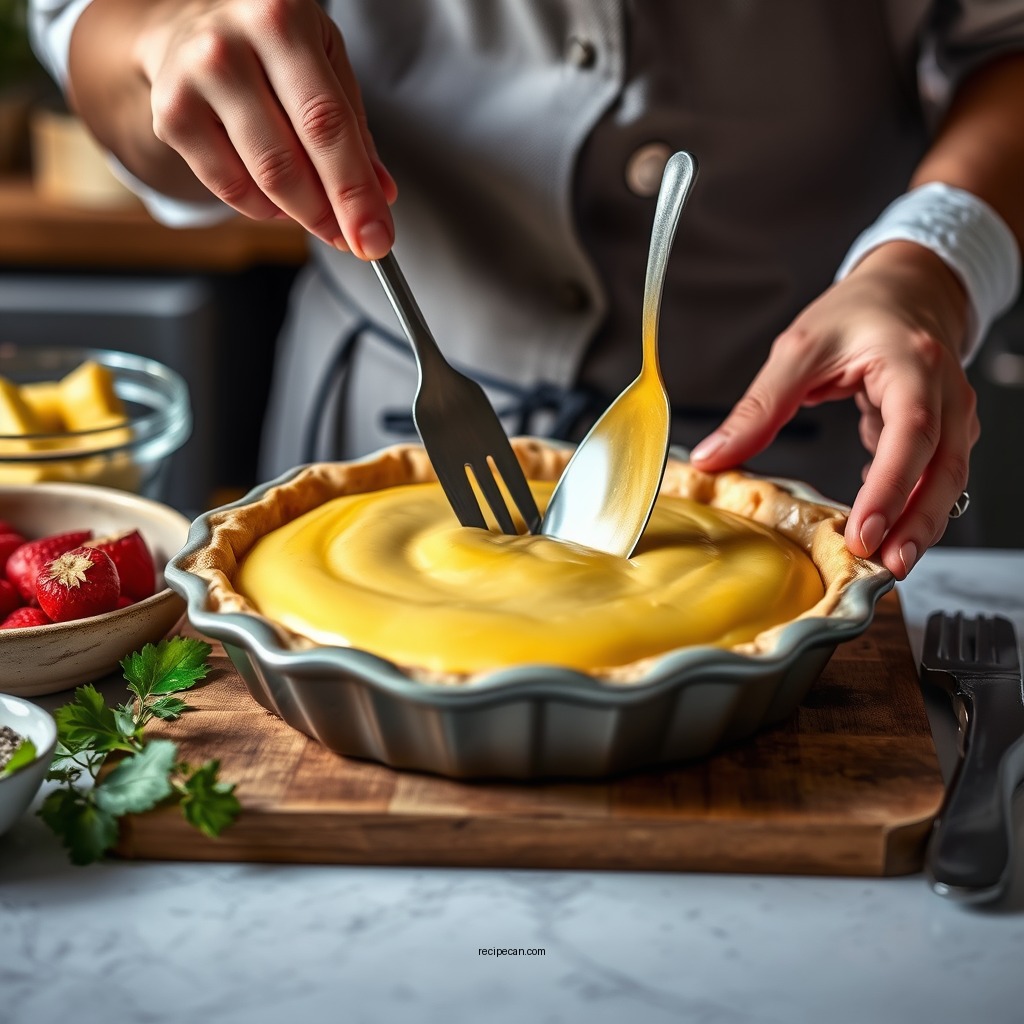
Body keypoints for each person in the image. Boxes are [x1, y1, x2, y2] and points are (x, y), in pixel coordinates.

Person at [29, 0, 1024, 580]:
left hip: (829, 449)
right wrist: (163, 41)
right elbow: (89, 24)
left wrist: (927, 265)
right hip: (363, 423)